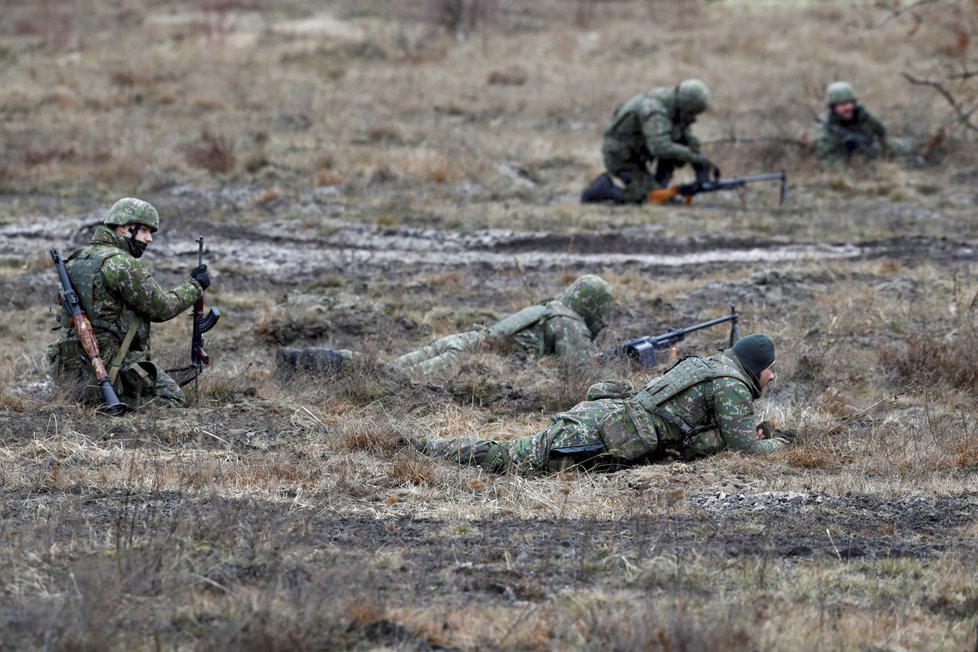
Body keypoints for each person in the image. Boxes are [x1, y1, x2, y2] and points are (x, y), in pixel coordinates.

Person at [410, 334, 793, 474]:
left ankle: (429, 448)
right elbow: (748, 450)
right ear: (756, 367)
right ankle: (426, 448)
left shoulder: (713, 368)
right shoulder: (732, 386)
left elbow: (711, 437)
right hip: (601, 432)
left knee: (516, 453)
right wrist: (782, 442)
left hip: (609, 417)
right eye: (771, 370)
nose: (773, 377)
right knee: (510, 459)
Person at [277, 274, 613, 377]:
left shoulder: (548, 309)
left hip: (462, 341)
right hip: (464, 359)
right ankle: (306, 362)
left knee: (381, 369)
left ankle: (301, 359)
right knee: (391, 378)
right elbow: (581, 374)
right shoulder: (569, 323)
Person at [48, 198, 211, 409]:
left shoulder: (77, 260)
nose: (149, 239)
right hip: (112, 368)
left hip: (74, 371)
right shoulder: (121, 264)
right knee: (172, 397)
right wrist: (195, 286)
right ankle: (117, 402)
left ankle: (96, 399)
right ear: (124, 228)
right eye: (144, 230)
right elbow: (162, 308)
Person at [581, 79, 720, 204]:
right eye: (692, 113)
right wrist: (693, 157)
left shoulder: (674, 103)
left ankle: (659, 185)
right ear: (686, 106)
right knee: (650, 198)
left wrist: (699, 160)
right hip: (621, 157)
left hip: (637, 150)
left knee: (679, 145)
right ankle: (605, 190)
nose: (694, 118)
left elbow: (686, 134)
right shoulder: (655, 110)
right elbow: (659, 147)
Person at [813, 81, 912, 165]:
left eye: (850, 103)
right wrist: (847, 150)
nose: (848, 108)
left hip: (876, 148)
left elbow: (882, 133)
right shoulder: (826, 133)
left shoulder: (860, 115)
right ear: (833, 107)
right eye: (842, 105)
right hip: (859, 163)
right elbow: (830, 165)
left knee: (910, 147)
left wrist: (867, 117)